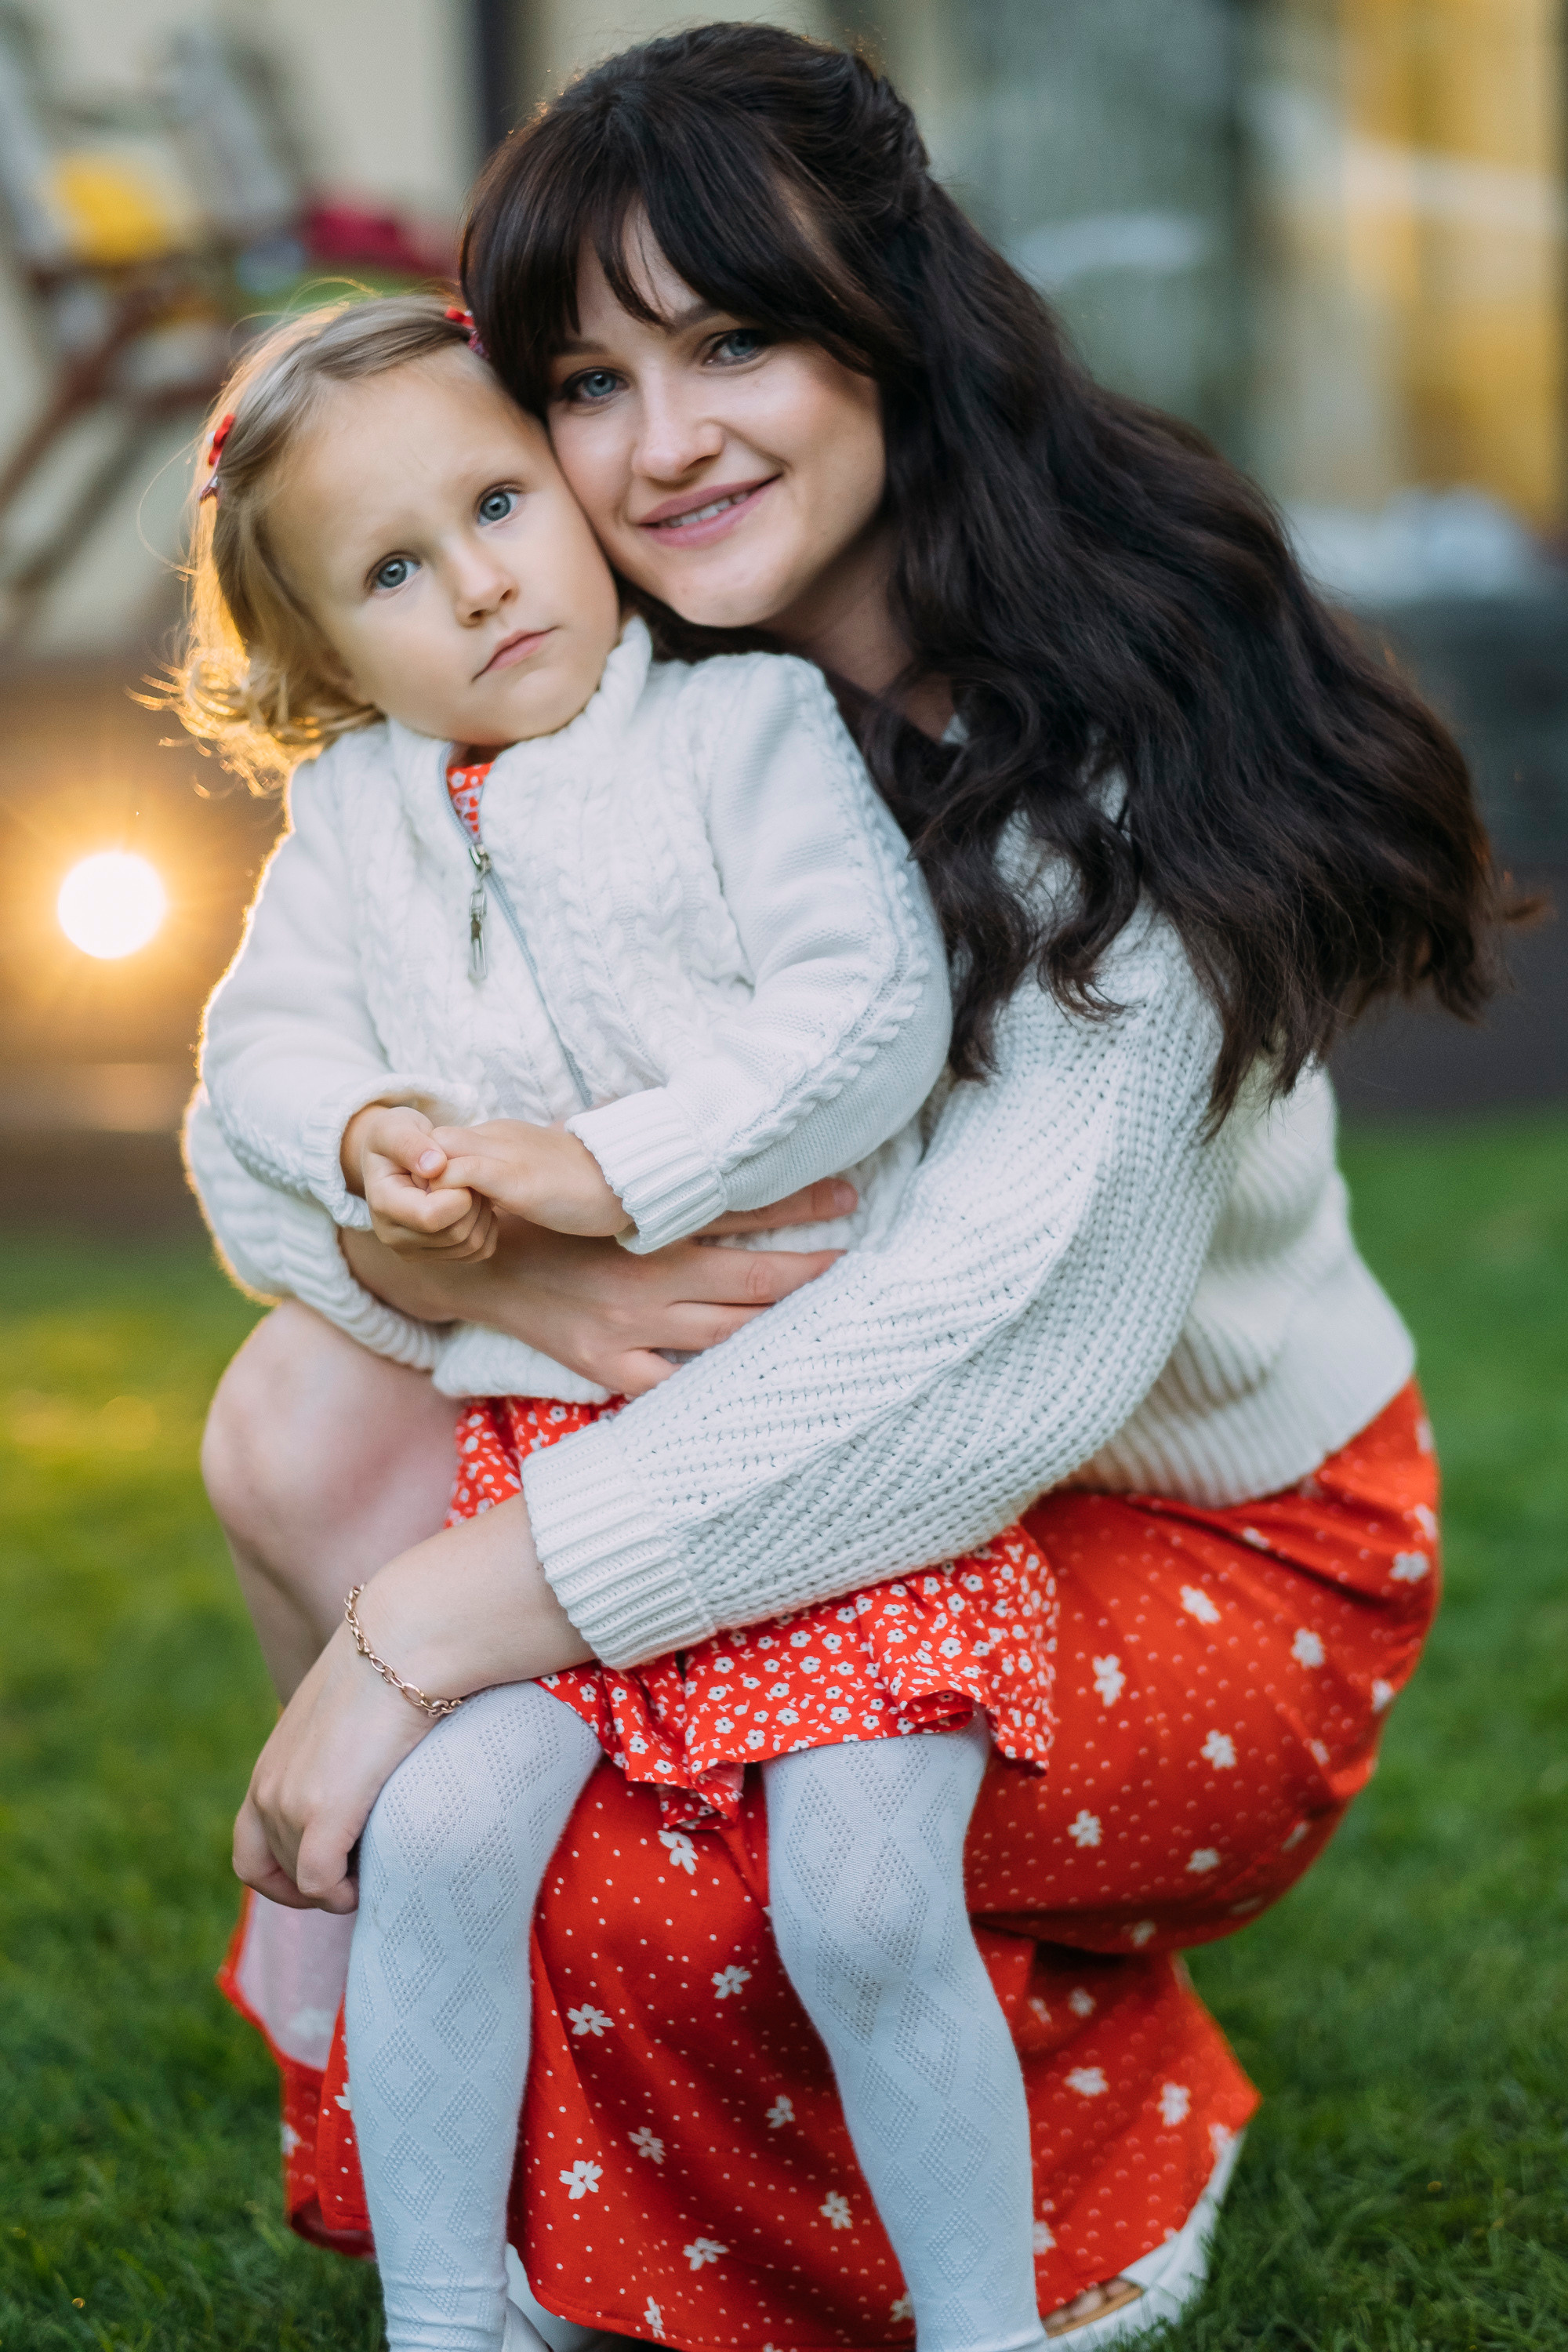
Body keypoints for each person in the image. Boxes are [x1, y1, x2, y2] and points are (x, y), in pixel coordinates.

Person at [191, 25, 1501, 2346]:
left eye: (741, 339)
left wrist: (416, 1638)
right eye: (587, 384)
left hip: (1194, 1520)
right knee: (310, 1428)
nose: (664, 439)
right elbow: (270, 1126)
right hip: (842, 1431)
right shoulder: (623, 698)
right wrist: (504, 1280)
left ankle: (1082, 2196)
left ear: (894, 325)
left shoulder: (1106, 744)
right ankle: (513, 2251)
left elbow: (970, 1364)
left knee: (660, 1864)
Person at [183, 289, 1084, 2352]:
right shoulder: (356, 825)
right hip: (553, 1469)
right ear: (325, 656)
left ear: (578, 501)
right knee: (444, 1846)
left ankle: (982, 2327)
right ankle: (449, 2311)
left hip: (825, 1450)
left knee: (864, 1897)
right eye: (393, 572)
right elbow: (258, 1057)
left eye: (500, 502)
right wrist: (372, 1126)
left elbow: (866, 1009)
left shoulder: (737, 732)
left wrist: (611, 1172)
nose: (479, 581)